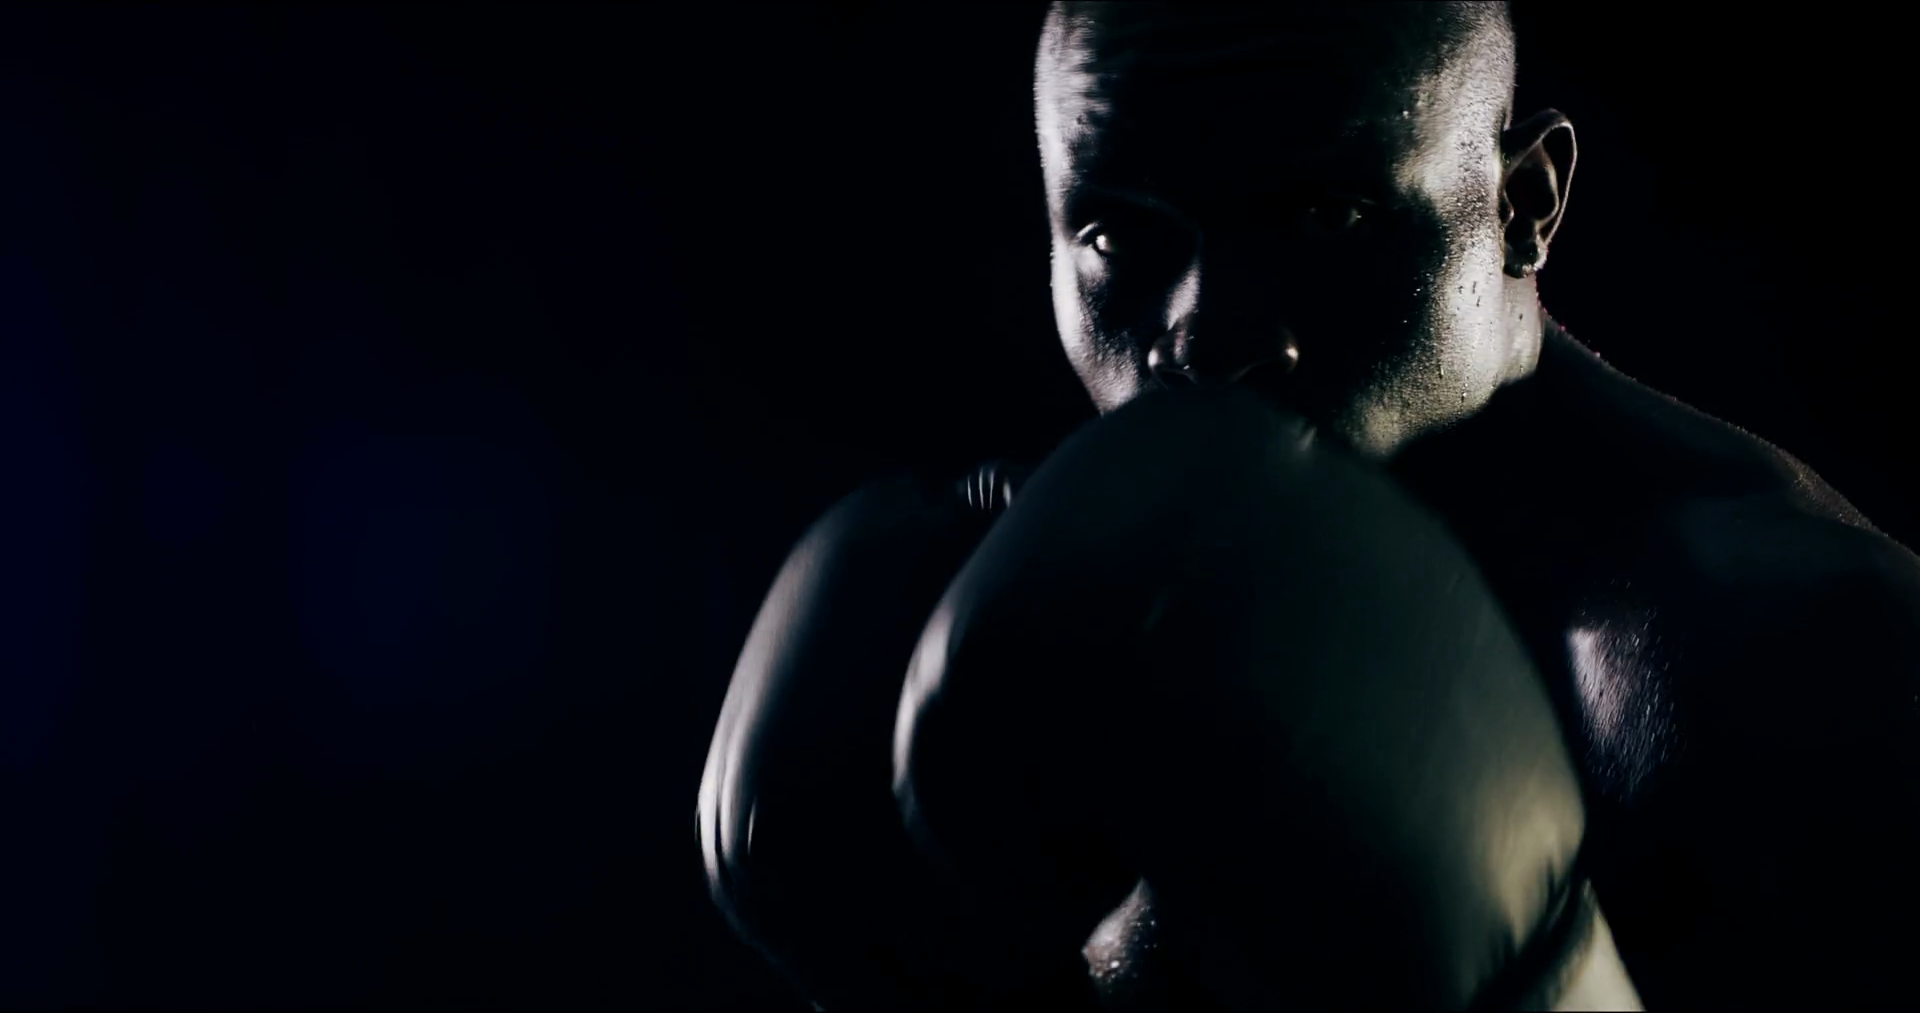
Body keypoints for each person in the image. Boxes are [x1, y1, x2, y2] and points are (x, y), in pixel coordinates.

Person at [698, 3, 1920, 1008]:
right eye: (1120, 236)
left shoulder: (1805, 654)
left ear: (1525, 202)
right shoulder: (1059, 619)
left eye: (1325, 215)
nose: (1207, 333)